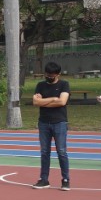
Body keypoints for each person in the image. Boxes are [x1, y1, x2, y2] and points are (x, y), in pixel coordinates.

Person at [31, 61, 71, 191]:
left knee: (61, 151)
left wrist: (44, 101)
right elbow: (35, 102)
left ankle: (65, 179)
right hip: (43, 122)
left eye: (51, 75)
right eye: (47, 75)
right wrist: (53, 99)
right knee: (44, 152)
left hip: (59, 122)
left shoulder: (64, 84)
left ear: (58, 74)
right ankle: (44, 179)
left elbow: (62, 101)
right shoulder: (40, 85)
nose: (49, 77)